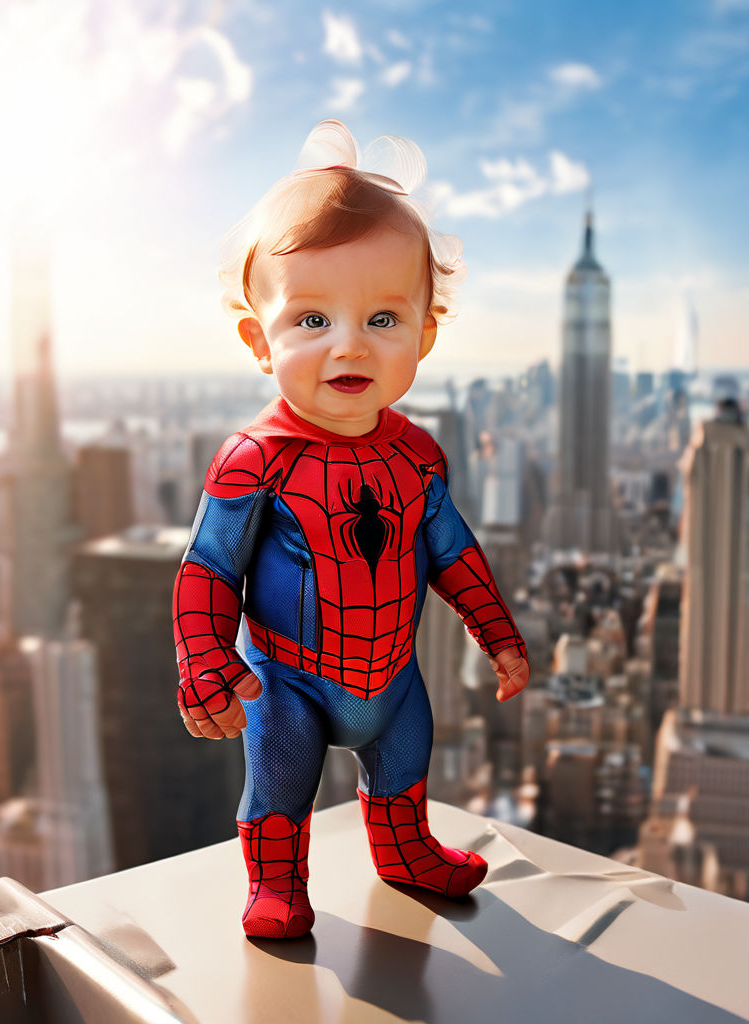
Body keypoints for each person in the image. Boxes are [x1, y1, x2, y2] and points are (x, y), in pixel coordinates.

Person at [173, 120, 529, 940]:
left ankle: (405, 853)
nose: (347, 345)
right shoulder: (254, 460)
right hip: (287, 680)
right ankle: (275, 884)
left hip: (391, 676)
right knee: (281, 778)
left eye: (381, 319)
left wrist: (498, 634)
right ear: (258, 341)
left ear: (424, 336)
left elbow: (452, 553)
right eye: (310, 321)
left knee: (405, 760)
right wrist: (204, 659)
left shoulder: (418, 456)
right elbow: (208, 569)